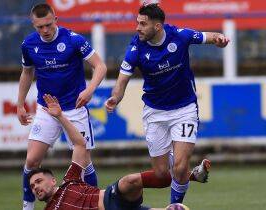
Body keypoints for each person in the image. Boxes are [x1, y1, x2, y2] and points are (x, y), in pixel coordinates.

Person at [104, 3, 227, 204]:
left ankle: (173, 206)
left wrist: (220, 39)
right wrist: (115, 98)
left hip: (184, 109)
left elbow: (210, 36)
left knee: (179, 167)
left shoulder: (180, 35)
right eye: (137, 23)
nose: (137, 28)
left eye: (143, 24)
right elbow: (122, 81)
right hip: (155, 112)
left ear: (158, 26)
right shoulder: (135, 48)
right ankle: (193, 175)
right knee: (161, 173)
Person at [28, 94, 209, 210]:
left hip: (112, 199)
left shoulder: (69, 181)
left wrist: (60, 117)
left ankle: (189, 176)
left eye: (38, 181)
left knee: (128, 181)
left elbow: (80, 145)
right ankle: (187, 183)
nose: (35, 187)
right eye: (32, 187)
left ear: (52, 180)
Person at [18, 3, 107, 210]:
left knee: (84, 163)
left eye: (48, 25)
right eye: (40, 27)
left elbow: (100, 66)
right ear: (33, 25)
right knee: (31, 160)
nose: (45, 31)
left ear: (56, 20)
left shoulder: (73, 39)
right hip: (46, 109)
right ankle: (27, 207)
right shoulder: (29, 44)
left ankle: (95, 204)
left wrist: (90, 89)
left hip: (74, 108)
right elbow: (27, 73)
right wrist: (20, 104)